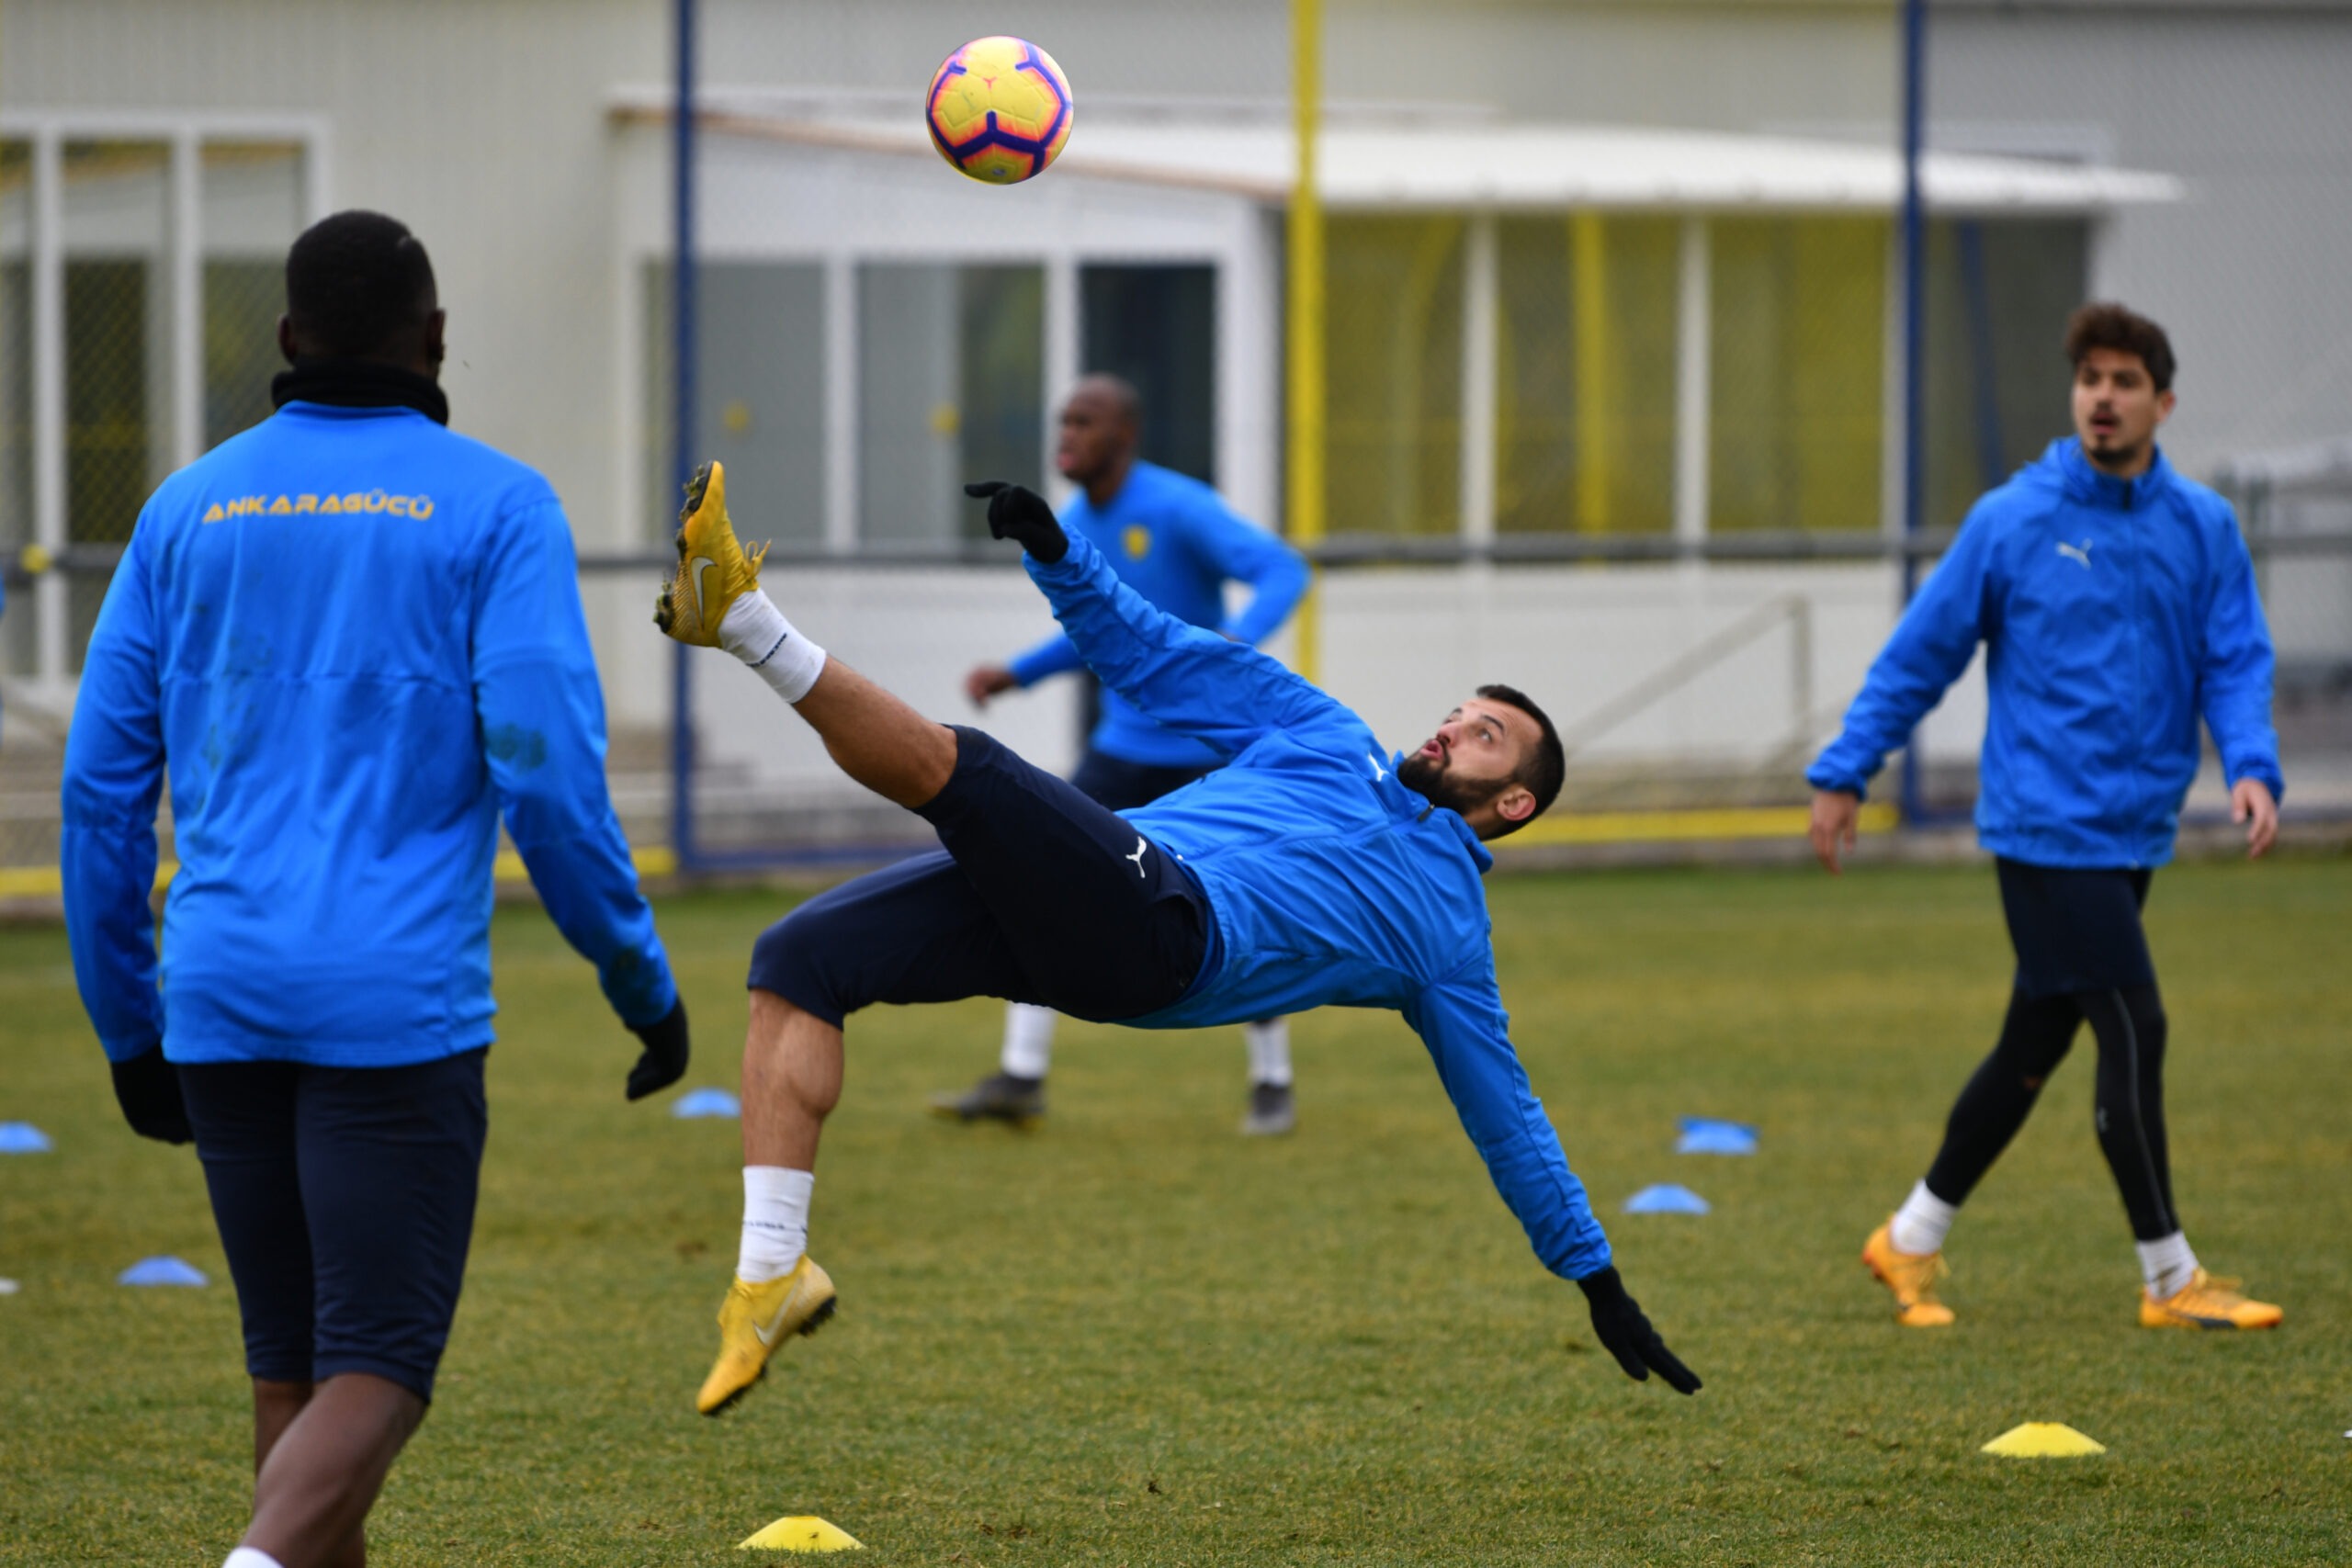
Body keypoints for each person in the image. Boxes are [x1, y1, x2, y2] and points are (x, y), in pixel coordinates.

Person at [651, 459, 1700, 1416]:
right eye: (1458, 711)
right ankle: (770, 1277)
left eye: (1486, 735)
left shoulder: (1446, 937)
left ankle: (742, 617)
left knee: (965, 767)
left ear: (1512, 805)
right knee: (797, 963)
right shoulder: (1330, 736)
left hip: (1170, 933)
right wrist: (1058, 553)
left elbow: (1507, 1118)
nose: (1451, 727)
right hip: (1095, 904)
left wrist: (1596, 1278)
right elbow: (1155, 656)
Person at [61, 210, 688, 1568]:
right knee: (383, 1365)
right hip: (389, 1009)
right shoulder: (499, 503)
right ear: (437, 336)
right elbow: (547, 775)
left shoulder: (185, 508)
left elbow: (100, 793)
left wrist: (127, 1020)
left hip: (218, 994)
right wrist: (641, 980)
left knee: (291, 1373)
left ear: (285, 341)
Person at [1807, 302, 2285, 1332]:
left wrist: (2251, 763)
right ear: (2074, 397)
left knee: (2034, 1046)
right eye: (2088, 381)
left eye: (2122, 382)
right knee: (2133, 1025)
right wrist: (1848, 768)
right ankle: (2169, 1276)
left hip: (2131, 829)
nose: (2101, 398)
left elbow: (2235, 658)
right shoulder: (2012, 520)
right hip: (2040, 827)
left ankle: (1909, 1238)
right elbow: (1920, 655)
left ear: (2161, 402)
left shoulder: (2200, 525)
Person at [944, 374, 1310, 1134]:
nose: (1066, 435)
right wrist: (1016, 673)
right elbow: (1089, 625)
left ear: (1124, 436)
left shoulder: (1179, 506)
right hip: (1120, 749)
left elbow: (1284, 569)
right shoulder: (1074, 520)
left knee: (1241, 899)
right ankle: (1021, 1075)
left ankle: (1272, 1083)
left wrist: (1234, 648)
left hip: (1204, 748)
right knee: (1035, 877)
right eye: (1063, 420)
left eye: (1084, 421)